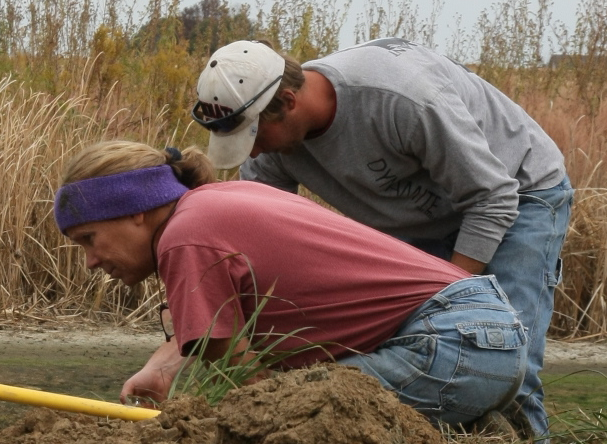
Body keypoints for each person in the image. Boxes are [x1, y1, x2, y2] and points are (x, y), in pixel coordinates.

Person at [190, 36, 573, 440]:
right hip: (418, 220)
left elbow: (491, 198)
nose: (252, 154)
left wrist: (459, 306)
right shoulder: (273, 150)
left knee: (505, 355)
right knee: (413, 345)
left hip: (517, 192)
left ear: (288, 102)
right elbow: (262, 239)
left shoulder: (401, 100)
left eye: (255, 137)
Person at [51, 140, 527, 427]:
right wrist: (161, 370)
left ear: (134, 211)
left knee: (280, 421)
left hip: (448, 343)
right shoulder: (218, 202)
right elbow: (214, 325)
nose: (90, 262)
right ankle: (482, 426)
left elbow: (253, 391)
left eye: (89, 239)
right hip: (484, 335)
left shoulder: (183, 239)